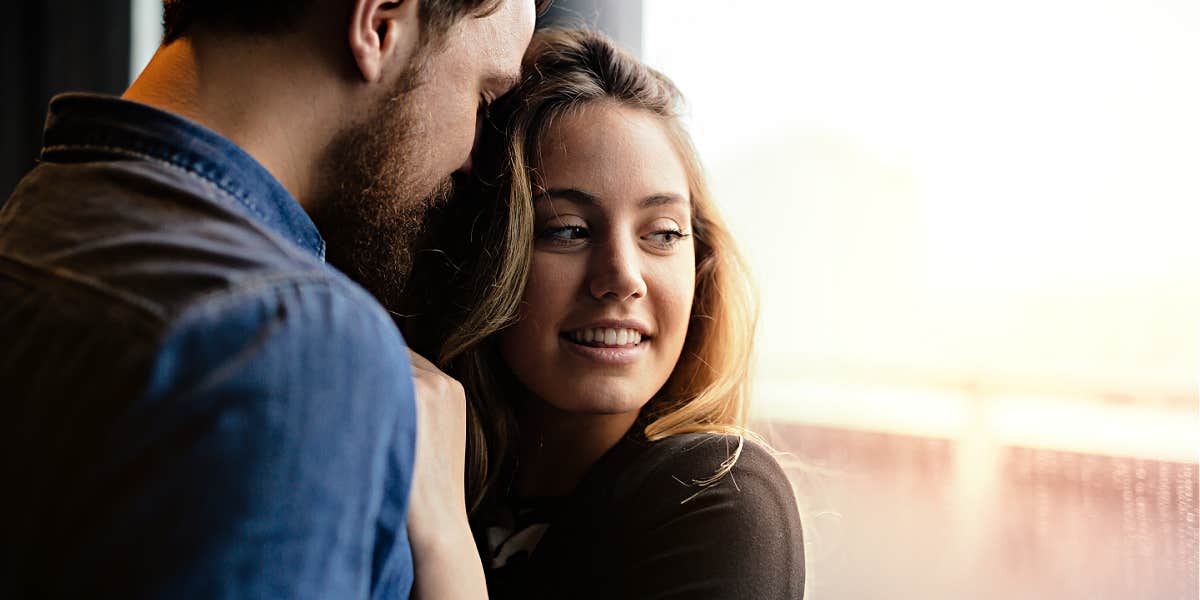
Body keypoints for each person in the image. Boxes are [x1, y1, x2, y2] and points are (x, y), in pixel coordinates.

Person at [0, 1, 539, 597]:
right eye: (484, 98)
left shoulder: (34, 221)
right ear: (380, 22)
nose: (471, 156)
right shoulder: (293, 340)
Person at [404, 27, 806, 599]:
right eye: (567, 230)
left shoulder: (718, 495)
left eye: (663, 234)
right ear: (483, 254)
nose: (622, 277)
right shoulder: (426, 458)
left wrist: (443, 541)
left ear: (700, 263)